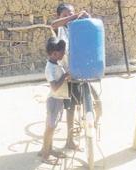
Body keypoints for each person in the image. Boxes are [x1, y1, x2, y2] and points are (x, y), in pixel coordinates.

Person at [51, 3, 92, 150]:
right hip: (67, 74)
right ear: (59, 16)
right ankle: (69, 140)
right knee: (71, 108)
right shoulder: (60, 28)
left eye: (72, 13)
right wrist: (73, 16)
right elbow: (52, 24)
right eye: (65, 15)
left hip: (82, 70)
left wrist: (87, 18)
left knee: (91, 101)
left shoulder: (79, 26)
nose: (69, 17)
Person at [40, 37, 70, 162]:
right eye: (62, 52)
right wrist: (65, 75)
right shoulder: (49, 69)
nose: (64, 53)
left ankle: (48, 149)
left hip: (59, 100)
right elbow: (55, 87)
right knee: (50, 128)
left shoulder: (56, 63)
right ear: (54, 53)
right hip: (54, 100)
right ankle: (45, 156)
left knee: (52, 126)